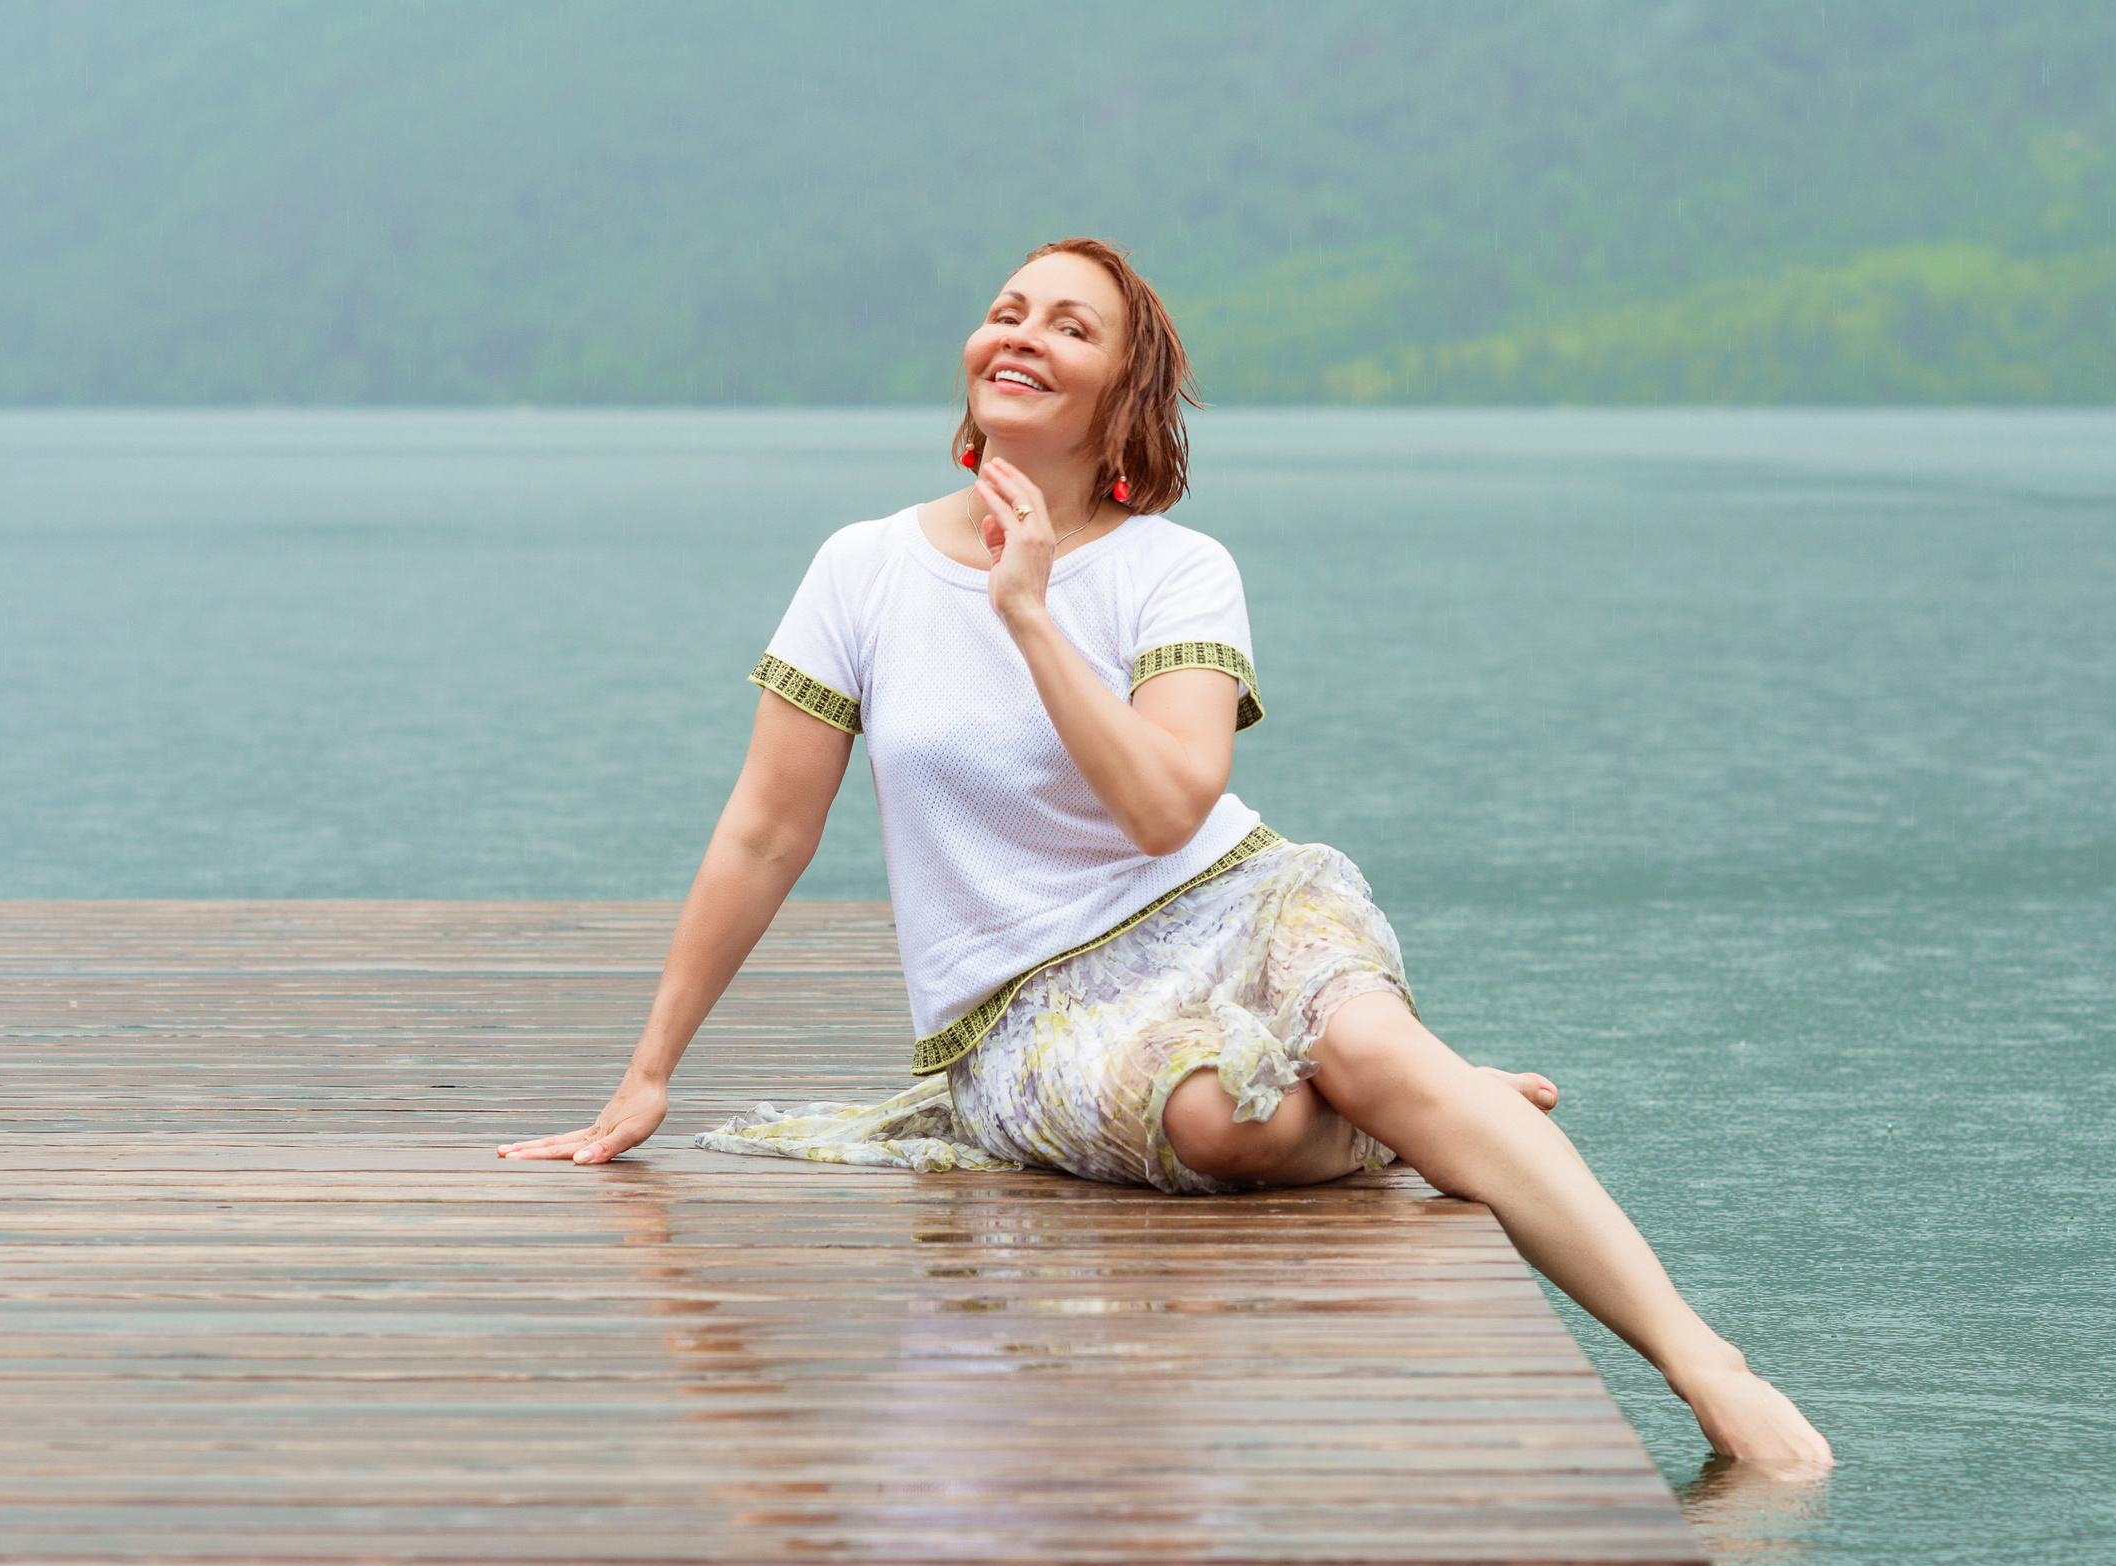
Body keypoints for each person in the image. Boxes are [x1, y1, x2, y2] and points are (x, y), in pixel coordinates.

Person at [501, 238, 1833, 1466]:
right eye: (1007, 311)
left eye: (1068, 327)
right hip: (1023, 1003)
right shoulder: (863, 567)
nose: (1022, 335)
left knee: (1367, 1046)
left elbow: (1165, 812)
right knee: (1220, 1120)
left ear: (1121, 394)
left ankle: (1702, 1364)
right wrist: (648, 1070)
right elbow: (766, 829)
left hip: (1231, 899)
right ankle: (1421, 1120)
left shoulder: (1177, 569)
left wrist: (1030, 613)